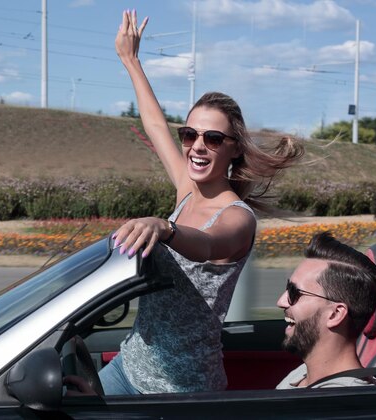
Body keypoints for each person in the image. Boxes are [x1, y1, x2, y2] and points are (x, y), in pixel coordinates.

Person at [102, 10, 304, 395]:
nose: (197, 145)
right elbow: (156, 125)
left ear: (233, 150)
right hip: (128, 367)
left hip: (180, 388)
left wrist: (166, 228)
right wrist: (130, 60)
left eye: (212, 138)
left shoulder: (237, 219)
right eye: (190, 134)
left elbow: (206, 245)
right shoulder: (186, 190)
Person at [276, 231, 376, 389]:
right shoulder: (301, 374)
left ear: (335, 314)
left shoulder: (342, 403)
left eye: (294, 292)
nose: (281, 301)